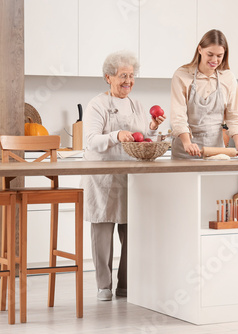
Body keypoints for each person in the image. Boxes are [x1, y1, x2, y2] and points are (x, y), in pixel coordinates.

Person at [80, 50, 165, 301]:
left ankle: (126, 284)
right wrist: (115, 135)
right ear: (108, 77)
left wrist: (152, 127)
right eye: (122, 76)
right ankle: (103, 286)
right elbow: (91, 141)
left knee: (131, 231)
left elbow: (140, 137)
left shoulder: (137, 105)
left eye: (131, 75)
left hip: (130, 174)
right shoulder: (97, 104)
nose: (128, 81)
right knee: (103, 232)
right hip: (103, 176)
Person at [170, 29, 238, 159]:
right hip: (185, 152)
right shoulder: (182, 75)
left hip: (216, 152)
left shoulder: (228, 78)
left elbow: (234, 116)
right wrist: (187, 143)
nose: (214, 60)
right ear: (200, 49)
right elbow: (178, 115)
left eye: (219, 56)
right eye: (210, 54)